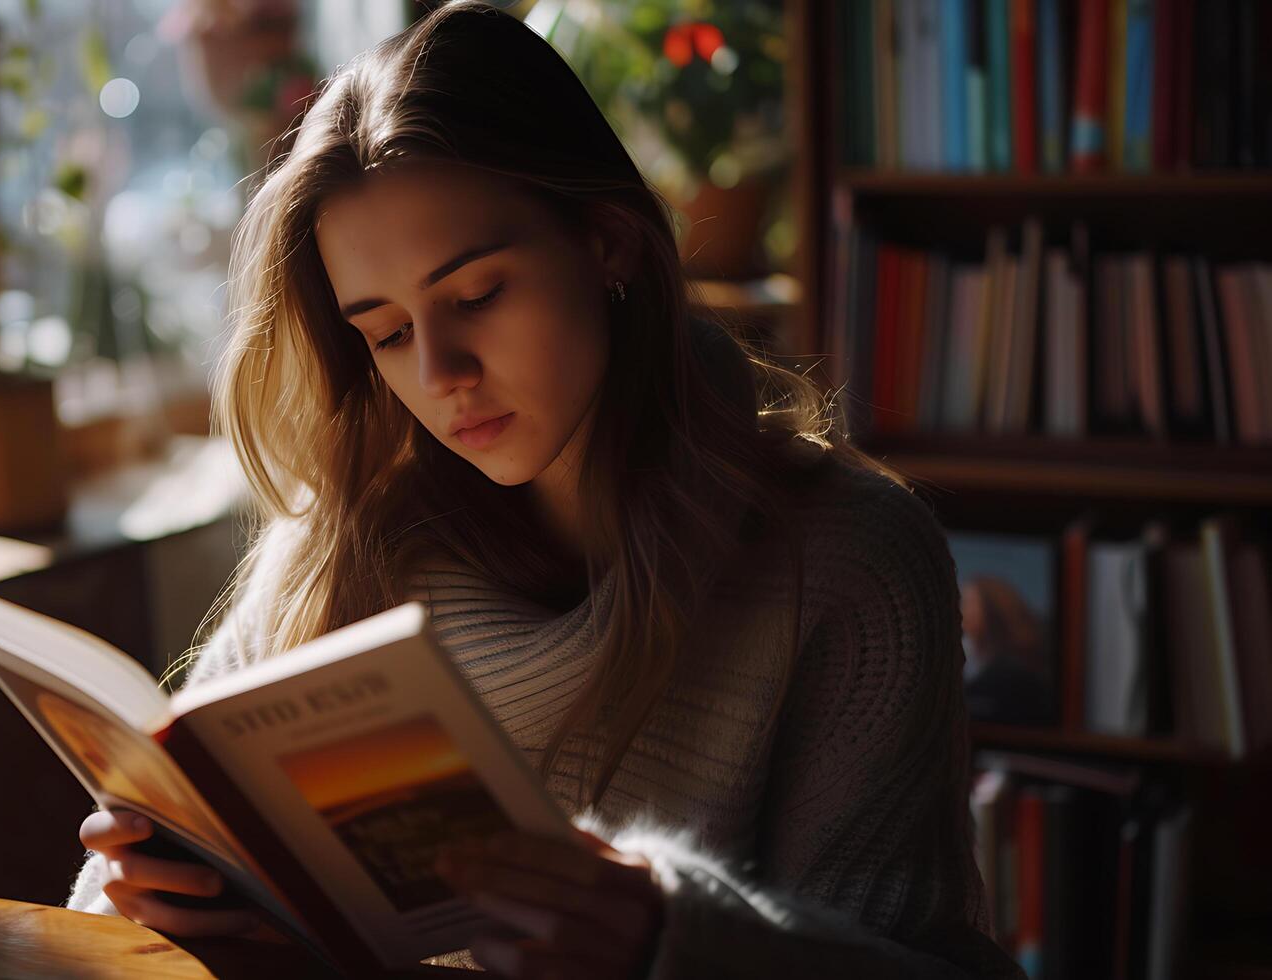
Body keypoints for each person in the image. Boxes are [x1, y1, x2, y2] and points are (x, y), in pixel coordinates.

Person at [68, 3, 1024, 977]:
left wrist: (675, 938)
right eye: (386, 332)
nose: (440, 371)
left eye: (476, 295)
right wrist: (151, 891)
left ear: (608, 241)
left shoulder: (847, 562)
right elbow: (130, 892)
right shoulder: (342, 544)